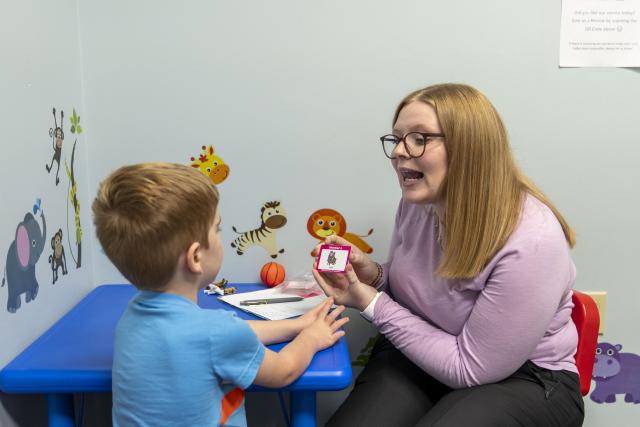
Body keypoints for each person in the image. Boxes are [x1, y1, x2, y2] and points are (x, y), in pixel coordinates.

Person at [312, 83, 584, 426]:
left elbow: (469, 368)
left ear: (469, 148)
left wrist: (368, 301)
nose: (399, 151)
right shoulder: (418, 203)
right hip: (426, 351)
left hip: (526, 379)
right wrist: (375, 277)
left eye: (419, 138)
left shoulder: (533, 239)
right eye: (396, 138)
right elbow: (419, 294)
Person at [92, 163, 348, 427]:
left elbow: (226, 334)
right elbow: (285, 369)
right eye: (217, 229)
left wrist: (296, 325)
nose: (219, 236)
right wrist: (312, 337)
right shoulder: (217, 332)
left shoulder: (130, 318)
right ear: (195, 257)